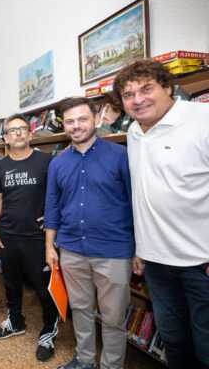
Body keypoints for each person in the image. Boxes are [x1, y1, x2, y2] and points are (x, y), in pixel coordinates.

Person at [113, 59, 209, 369]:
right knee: (174, 339)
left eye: (146, 89)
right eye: (128, 95)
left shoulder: (202, 120)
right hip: (156, 263)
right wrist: (141, 248)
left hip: (200, 261)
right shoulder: (133, 132)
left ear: (168, 87)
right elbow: (143, 195)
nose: (138, 100)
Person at [45, 97, 134, 369]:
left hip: (114, 251)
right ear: (63, 125)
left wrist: (140, 249)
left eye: (82, 119)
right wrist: (49, 247)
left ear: (96, 119)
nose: (76, 126)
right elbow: (52, 206)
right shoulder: (58, 163)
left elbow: (136, 203)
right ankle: (85, 360)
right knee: (80, 310)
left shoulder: (120, 155)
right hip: (71, 249)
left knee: (113, 317)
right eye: (69, 121)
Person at [0, 114, 59, 361]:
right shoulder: (0, 166)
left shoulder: (47, 161)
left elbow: (59, 194)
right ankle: (16, 321)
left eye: (22, 129)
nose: (17, 133)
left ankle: (49, 332)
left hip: (38, 239)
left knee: (44, 289)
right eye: (12, 130)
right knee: (11, 283)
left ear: (30, 134)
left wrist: (53, 218)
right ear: (6, 138)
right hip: (8, 236)